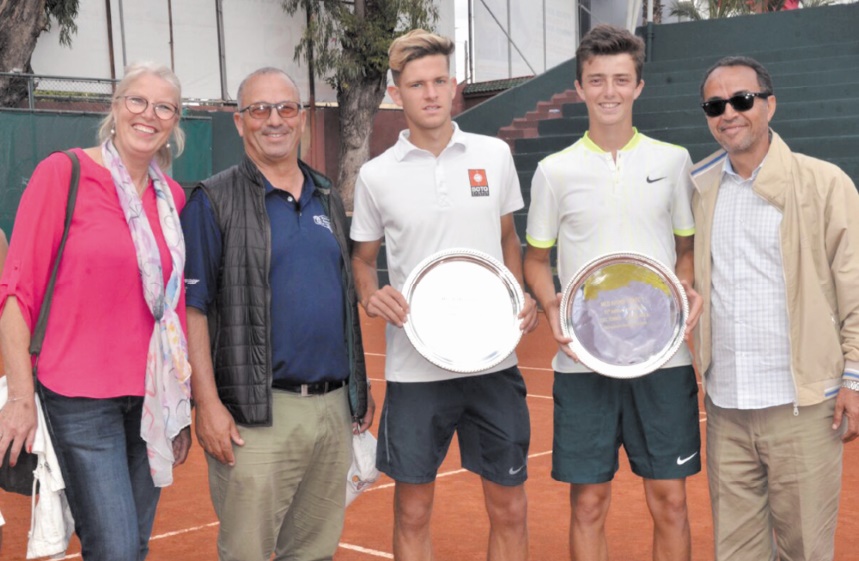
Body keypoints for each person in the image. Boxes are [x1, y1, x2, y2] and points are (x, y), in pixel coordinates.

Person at [350, 29, 538, 561]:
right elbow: (362, 261)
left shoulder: (494, 154)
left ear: (455, 86)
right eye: (416, 84)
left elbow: (507, 237)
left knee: (510, 508)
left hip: (493, 363)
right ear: (396, 93)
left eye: (439, 81)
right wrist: (371, 295)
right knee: (412, 511)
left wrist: (520, 290)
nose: (430, 94)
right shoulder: (375, 176)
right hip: (415, 370)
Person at [523, 25, 703, 561]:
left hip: (664, 358)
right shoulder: (553, 172)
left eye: (620, 79)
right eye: (596, 80)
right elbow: (536, 261)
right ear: (578, 88)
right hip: (584, 361)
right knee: (589, 504)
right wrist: (552, 302)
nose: (609, 91)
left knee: (670, 501)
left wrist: (686, 285)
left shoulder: (673, 161)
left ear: (638, 87)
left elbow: (685, 251)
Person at [0, 62, 192, 561]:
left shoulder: (171, 198)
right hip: (79, 398)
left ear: (175, 121)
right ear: (115, 106)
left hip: (153, 399)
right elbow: (18, 293)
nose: (148, 115)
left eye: (164, 107)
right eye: (137, 101)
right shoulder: (64, 173)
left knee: (135, 545)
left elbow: (174, 305)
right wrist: (20, 396)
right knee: (115, 548)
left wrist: (181, 406)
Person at [180, 67, 373, 561]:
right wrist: (208, 405)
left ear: (303, 119)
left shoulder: (327, 196)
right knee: (247, 552)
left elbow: (343, 299)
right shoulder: (212, 200)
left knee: (314, 552)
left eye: (286, 108)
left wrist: (357, 393)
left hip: (331, 411)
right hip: (255, 414)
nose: (275, 121)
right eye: (259, 110)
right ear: (238, 122)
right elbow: (192, 310)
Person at [691, 55, 859, 561]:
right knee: (735, 552)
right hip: (727, 409)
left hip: (803, 408)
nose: (729, 113)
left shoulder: (825, 183)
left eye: (741, 100)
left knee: (805, 550)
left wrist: (854, 379)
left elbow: (854, 286)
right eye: (715, 104)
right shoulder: (699, 187)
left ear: (770, 105)